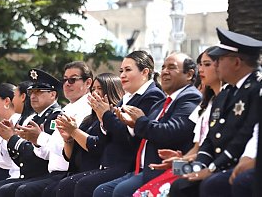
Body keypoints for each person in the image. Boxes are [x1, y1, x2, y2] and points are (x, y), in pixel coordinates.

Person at [94, 52, 202, 197]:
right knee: (102, 191)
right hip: (146, 169)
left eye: (171, 67)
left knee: (115, 191)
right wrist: (133, 124)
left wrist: (138, 121)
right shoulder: (162, 103)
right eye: (163, 67)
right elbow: (142, 132)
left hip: (170, 169)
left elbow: (171, 132)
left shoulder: (190, 97)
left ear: (189, 74)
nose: (165, 72)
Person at [169, 28, 262, 197]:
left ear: (236, 63)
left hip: (235, 162)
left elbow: (244, 136)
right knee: (179, 183)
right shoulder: (225, 95)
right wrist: (195, 166)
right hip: (215, 162)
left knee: (209, 185)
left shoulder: (255, 89)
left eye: (218, 60)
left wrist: (211, 168)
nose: (216, 65)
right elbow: (210, 140)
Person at [133, 46, 222, 196]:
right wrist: (179, 161)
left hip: (213, 167)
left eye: (207, 64)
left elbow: (170, 132)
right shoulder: (207, 104)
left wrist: (183, 163)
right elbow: (198, 148)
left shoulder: (194, 98)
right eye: (200, 64)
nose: (201, 69)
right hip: (192, 164)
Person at [0, 69, 64, 197]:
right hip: (24, 175)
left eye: (38, 92)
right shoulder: (34, 119)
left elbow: (36, 156)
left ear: (53, 95)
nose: (32, 96)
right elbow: (18, 156)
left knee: (2, 192)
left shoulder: (55, 117)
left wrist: (11, 138)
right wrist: (7, 138)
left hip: (42, 175)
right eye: (31, 92)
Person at [7, 61, 94, 197]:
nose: (67, 84)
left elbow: (67, 148)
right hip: (55, 173)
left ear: (88, 83)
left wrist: (40, 137)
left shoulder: (87, 109)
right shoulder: (67, 109)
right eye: (64, 80)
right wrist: (36, 141)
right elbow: (49, 153)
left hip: (70, 173)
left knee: (23, 191)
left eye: (72, 80)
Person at [51, 72, 125, 197]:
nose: (95, 92)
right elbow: (70, 156)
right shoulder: (88, 120)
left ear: (111, 91)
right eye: (93, 89)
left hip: (100, 170)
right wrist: (68, 139)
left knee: (69, 185)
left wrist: (74, 131)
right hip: (78, 171)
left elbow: (98, 146)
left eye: (100, 88)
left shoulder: (115, 118)